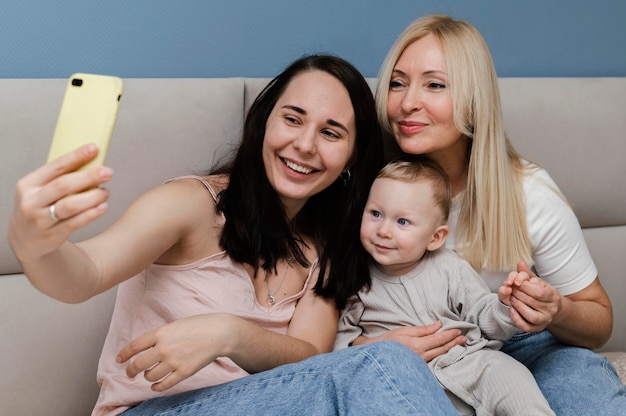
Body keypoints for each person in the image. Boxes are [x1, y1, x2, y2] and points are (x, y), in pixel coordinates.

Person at [7, 54, 461, 416]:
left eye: (330, 132)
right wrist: (35, 242)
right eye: (293, 118)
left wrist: (229, 334)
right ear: (264, 121)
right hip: (149, 409)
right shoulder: (193, 205)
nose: (304, 145)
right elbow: (84, 274)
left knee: (530, 343)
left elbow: (309, 360)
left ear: (351, 158)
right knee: (387, 365)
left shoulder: (327, 246)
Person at [372, 13, 626, 414]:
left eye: (434, 84)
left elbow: (599, 321)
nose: (407, 103)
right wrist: (368, 345)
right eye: (398, 83)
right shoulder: (371, 190)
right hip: (425, 353)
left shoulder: (530, 193)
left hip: (529, 342)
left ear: (474, 105)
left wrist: (555, 309)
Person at [335, 158, 555, 415]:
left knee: (511, 376)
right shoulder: (357, 279)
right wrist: (377, 346)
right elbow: (340, 345)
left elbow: (484, 317)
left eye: (402, 222)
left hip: (468, 362)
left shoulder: (450, 267)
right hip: (408, 379)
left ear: (435, 237)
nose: (383, 230)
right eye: (375, 214)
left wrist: (506, 304)